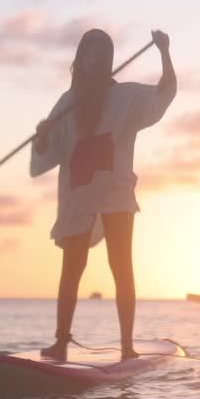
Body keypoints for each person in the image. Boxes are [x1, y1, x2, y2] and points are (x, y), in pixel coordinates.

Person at [32, 29, 176, 362]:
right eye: (89, 55)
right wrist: (41, 137)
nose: (94, 61)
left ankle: (127, 346)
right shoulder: (68, 104)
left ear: (108, 60)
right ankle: (60, 343)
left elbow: (165, 92)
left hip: (116, 190)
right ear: (81, 60)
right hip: (78, 194)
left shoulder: (126, 97)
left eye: (101, 55)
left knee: (120, 266)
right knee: (72, 268)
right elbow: (48, 151)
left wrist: (164, 52)